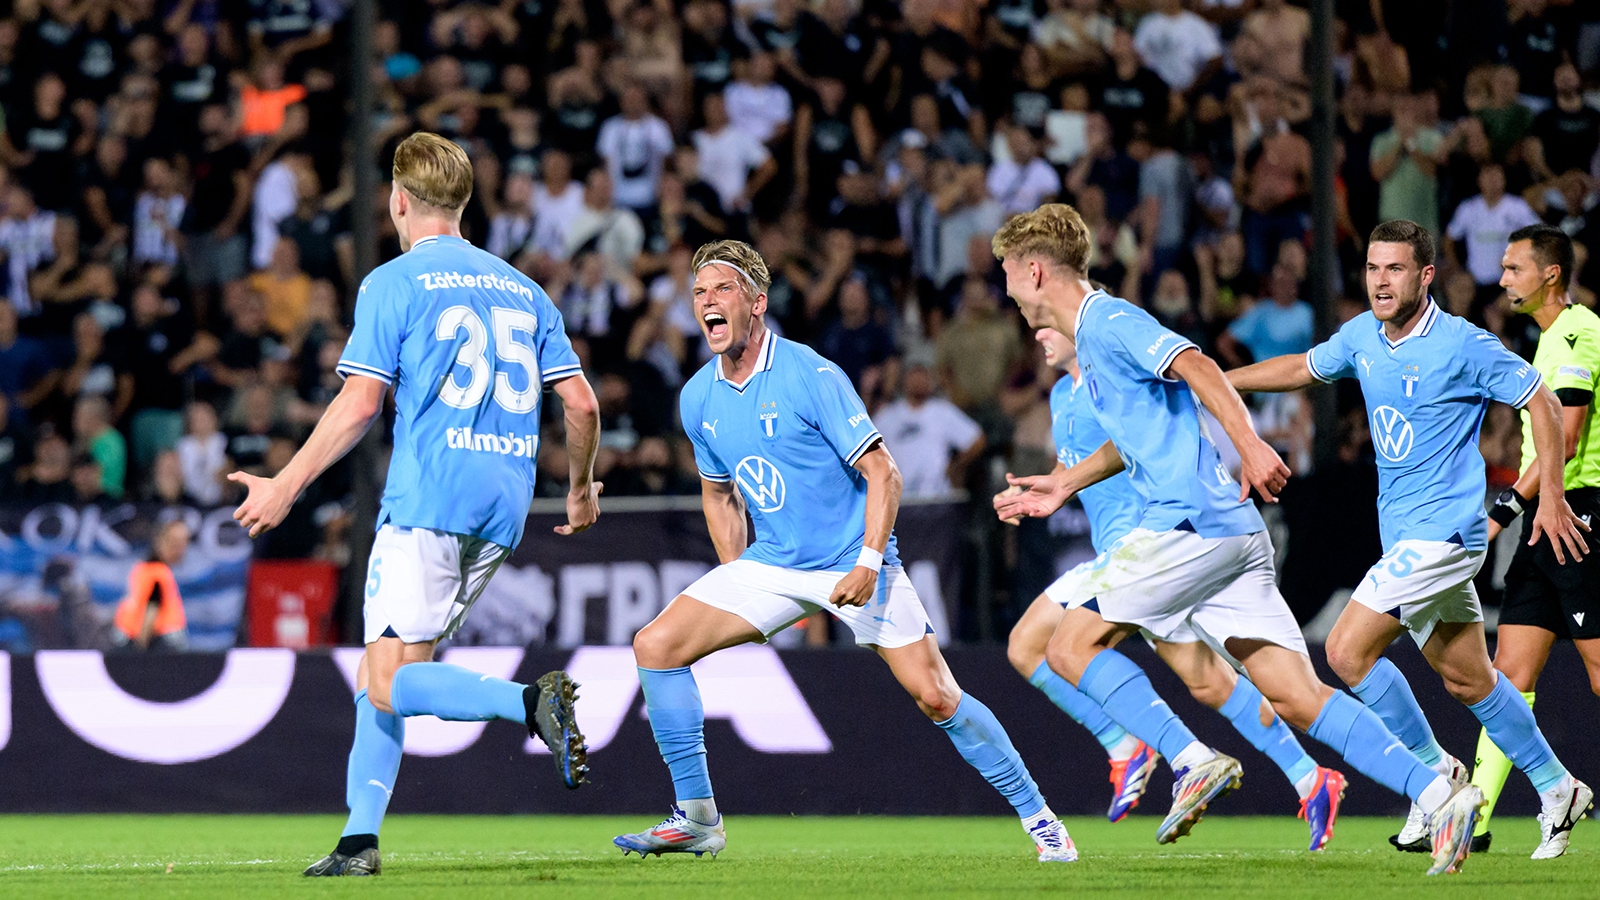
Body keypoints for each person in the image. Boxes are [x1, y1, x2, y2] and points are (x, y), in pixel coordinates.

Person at [991, 204, 1481, 876]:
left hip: (1186, 526)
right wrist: (1064, 482)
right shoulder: (1093, 337)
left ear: (1035, 269)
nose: (1009, 291)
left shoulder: (1107, 321)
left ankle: (1188, 758)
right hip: (1231, 538)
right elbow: (1144, 427)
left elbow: (1196, 366)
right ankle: (1438, 792)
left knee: (1066, 645)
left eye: (1010, 275)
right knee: (1295, 696)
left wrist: (1248, 445)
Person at [613, 239, 1078, 863]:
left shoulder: (811, 374)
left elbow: (885, 472)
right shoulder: (699, 397)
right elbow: (720, 495)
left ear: (757, 301)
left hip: (852, 561)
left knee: (936, 694)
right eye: (699, 294)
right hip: (773, 564)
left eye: (721, 289)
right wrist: (738, 585)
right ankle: (697, 819)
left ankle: (1040, 818)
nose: (707, 303)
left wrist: (867, 560)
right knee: (655, 645)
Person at [229, 133, 604, 877]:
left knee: (386, 678)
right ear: (462, 205)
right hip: (503, 505)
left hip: (429, 493)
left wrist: (287, 483)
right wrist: (579, 485)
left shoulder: (392, 282)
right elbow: (583, 404)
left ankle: (529, 702)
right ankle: (358, 841)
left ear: (397, 201)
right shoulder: (525, 289)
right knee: (393, 670)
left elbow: (361, 401)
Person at [1226, 219, 1592, 864]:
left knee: (1344, 650)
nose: (1380, 282)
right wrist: (1224, 382)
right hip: (1405, 540)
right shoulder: (1363, 335)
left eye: (1394, 270)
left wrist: (1553, 497)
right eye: (1372, 269)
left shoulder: (1463, 344)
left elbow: (1543, 404)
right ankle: (1557, 785)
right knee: (1468, 679)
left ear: (1425, 276)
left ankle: (1435, 780)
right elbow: (1302, 368)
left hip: (1447, 536)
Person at [1001, 325, 1345, 850]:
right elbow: (1079, 465)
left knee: (1047, 646)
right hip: (1117, 552)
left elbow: (1165, 434)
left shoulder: (1116, 381)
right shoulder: (1061, 394)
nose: (1039, 332)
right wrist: (1043, 491)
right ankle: (1303, 776)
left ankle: (1150, 749)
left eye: (1048, 322)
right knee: (1202, 679)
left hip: (1152, 547)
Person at [1470, 225, 1600, 852]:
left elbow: (1567, 441)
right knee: (1508, 673)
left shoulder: (1578, 332)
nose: (1503, 280)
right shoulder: (1548, 341)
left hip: (1579, 515)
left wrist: (1500, 512)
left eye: (1514, 268)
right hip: (1546, 517)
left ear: (1550, 274)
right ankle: (1476, 818)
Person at [111, 520, 191, 653]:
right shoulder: (157, 572)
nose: (180, 549)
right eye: (175, 543)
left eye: (184, 543)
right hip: (160, 643)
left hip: (129, 638)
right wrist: (141, 649)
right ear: (161, 542)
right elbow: (151, 609)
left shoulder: (143, 568)